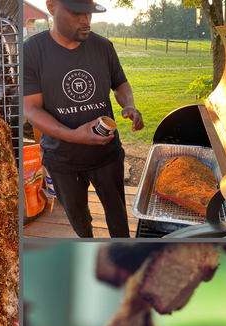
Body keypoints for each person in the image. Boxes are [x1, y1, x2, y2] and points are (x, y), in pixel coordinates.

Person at [24, 0, 144, 238]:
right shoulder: (33, 52)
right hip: (62, 159)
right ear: (51, 6)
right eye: (76, 12)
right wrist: (72, 135)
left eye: (88, 13)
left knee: (117, 216)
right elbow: (32, 109)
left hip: (106, 154)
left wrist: (128, 104)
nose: (86, 20)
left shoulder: (103, 46)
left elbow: (120, 83)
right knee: (79, 221)